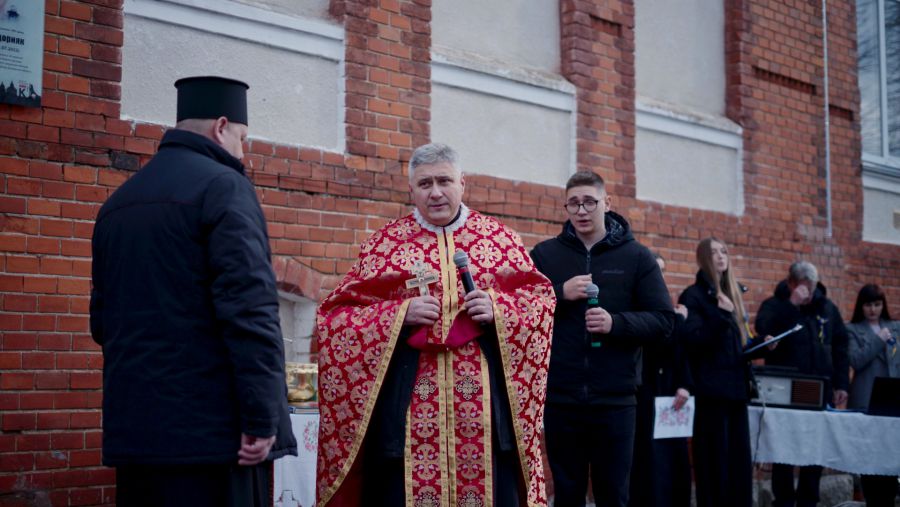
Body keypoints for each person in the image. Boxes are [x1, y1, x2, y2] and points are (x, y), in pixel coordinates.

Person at [90, 76, 297, 507]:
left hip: (138, 438)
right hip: (214, 444)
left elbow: (101, 324)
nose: (243, 152)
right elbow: (250, 311)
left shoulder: (117, 204)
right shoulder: (224, 187)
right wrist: (262, 418)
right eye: (242, 139)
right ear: (222, 127)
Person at [315, 143, 556, 507]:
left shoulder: (499, 239)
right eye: (425, 184)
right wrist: (398, 314)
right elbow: (336, 318)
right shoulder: (386, 244)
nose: (436, 192)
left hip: (485, 412)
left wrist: (498, 308)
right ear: (411, 190)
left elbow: (541, 302)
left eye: (444, 181)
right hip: (406, 408)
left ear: (462, 183)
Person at [530, 171, 675, 507]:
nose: (581, 211)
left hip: (615, 399)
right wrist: (558, 293)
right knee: (567, 493)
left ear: (607, 203)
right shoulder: (546, 255)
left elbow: (664, 321)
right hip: (561, 397)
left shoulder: (636, 257)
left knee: (612, 494)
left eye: (590, 202)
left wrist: (616, 323)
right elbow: (520, 309)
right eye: (574, 203)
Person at [679, 237, 771, 507]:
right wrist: (720, 316)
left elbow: (735, 348)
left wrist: (761, 345)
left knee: (738, 463)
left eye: (724, 251)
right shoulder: (693, 296)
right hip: (710, 393)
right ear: (703, 259)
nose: (721, 256)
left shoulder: (733, 295)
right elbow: (693, 340)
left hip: (736, 392)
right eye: (714, 252)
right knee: (713, 463)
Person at [755, 261, 850, 507]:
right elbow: (763, 330)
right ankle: (783, 500)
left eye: (812, 286)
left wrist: (841, 384)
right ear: (791, 283)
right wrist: (792, 305)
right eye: (802, 285)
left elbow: (841, 346)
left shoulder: (827, 308)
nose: (808, 291)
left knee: (815, 447)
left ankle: (809, 500)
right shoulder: (775, 305)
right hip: (786, 389)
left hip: (820, 388)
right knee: (783, 448)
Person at [628, 252, 693, 507]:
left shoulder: (667, 307)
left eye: (662, 271)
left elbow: (680, 352)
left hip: (666, 391)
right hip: (642, 390)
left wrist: (685, 384)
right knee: (646, 458)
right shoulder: (636, 303)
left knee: (670, 458)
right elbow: (656, 343)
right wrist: (678, 322)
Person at [846, 284, 900, 507]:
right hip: (866, 398)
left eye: (877, 304)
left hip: (892, 399)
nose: (873, 309)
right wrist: (878, 340)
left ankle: (889, 497)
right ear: (861, 306)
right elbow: (856, 360)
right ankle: (872, 499)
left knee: (891, 451)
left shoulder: (895, 327)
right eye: (868, 305)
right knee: (869, 453)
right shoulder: (852, 329)